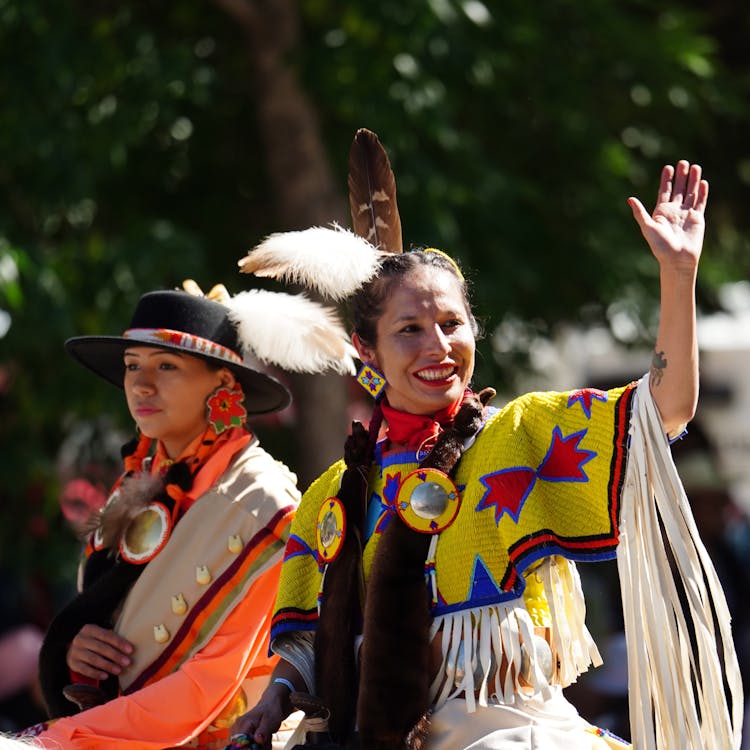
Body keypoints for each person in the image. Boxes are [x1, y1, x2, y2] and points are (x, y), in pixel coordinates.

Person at [227, 130, 743, 750]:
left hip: (499, 725)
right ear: (367, 350)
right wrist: (273, 698)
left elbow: (665, 410)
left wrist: (678, 277)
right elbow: (308, 639)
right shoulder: (333, 495)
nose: (438, 348)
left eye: (451, 324)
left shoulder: (518, 435)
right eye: (409, 330)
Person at [21, 281, 356, 749]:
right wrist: (78, 649)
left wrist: (58, 740)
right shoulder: (137, 483)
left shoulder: (264, 507)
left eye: (166, 365)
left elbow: (208, 689)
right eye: (132, 365)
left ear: (222, 385)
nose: (140, 383)